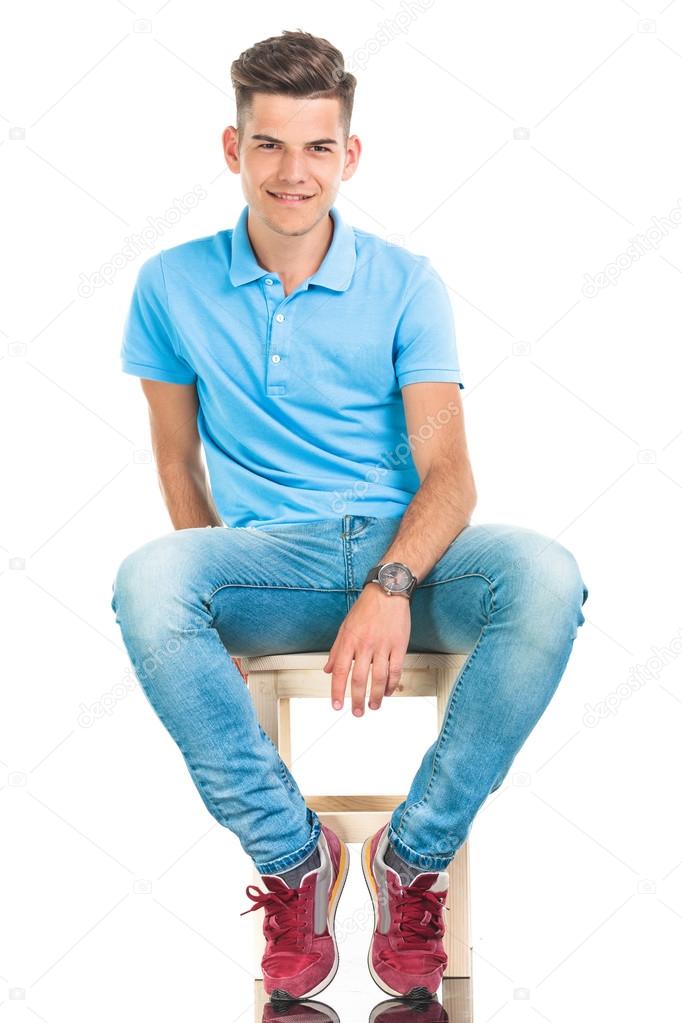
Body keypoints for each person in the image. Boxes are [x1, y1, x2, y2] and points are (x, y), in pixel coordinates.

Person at [111, 29, 589, 1004]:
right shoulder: (169, 285)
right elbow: (174, 458)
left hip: (400, 550)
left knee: (545, 574)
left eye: (318, 147)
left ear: (349, 155)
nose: (294, 173)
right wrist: (210, 601)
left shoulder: (407, 283)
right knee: (149, 581)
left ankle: (410, 858)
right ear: (232, 149)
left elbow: (450, 475)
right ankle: (295, 860)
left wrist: (390, 582)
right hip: (265, 564)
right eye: (271, 146)